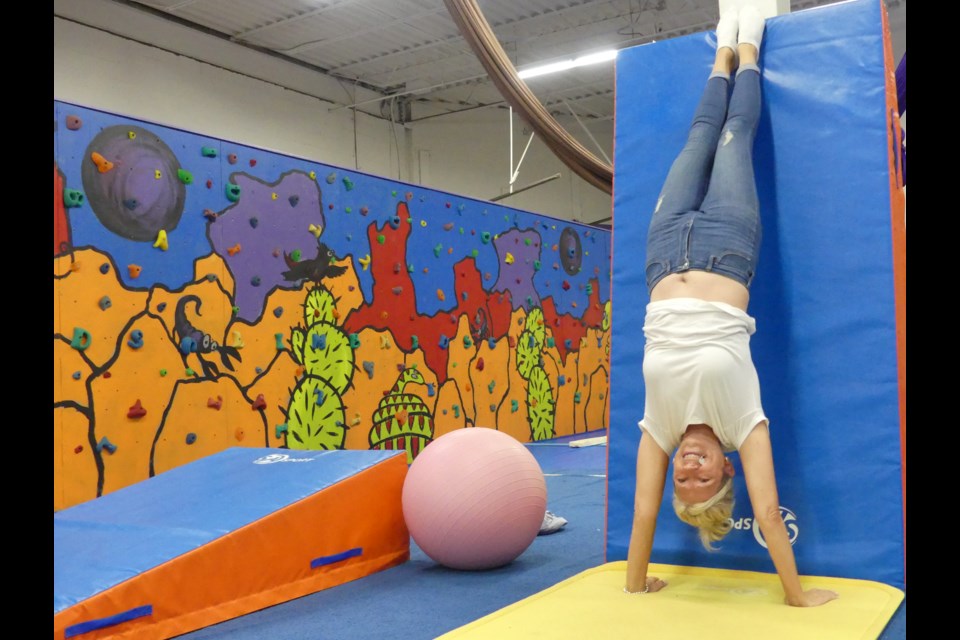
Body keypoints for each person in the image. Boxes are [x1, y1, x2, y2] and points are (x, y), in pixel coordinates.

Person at [622, 6, 838, 608]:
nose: (688, 470)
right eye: (702, 479)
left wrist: (637, 583)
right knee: (733, 136)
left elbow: (642, 513)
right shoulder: (745, 426)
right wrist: (796, 597)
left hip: (664, 253)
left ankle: (722, 53)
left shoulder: (658, 430)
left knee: (697, 137)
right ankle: (748, 51)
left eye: (682, 482)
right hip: (727, 251)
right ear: (725, 470)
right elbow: (768, 513)